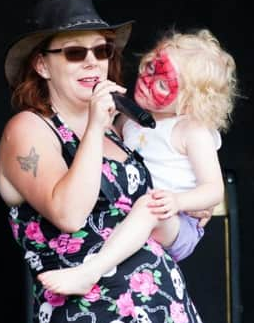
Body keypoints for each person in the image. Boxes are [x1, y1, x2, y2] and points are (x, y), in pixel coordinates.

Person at [0, 0, 223, 323]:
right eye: (74, 53)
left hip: (160, 312)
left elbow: (160, 199)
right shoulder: (30, 130)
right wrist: (95, 129)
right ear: (42, 64)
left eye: (101, 52)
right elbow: (69, 214)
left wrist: (187, 203)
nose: (92, 63)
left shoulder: (122, 130)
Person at [38, 28, 237, 298]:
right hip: (138, 218)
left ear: (192, 99)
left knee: (149, 206)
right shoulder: (128, 120)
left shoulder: (192, 130)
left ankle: (90, 272)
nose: (147, 81)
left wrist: (179, 201)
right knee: (145, 207)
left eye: (164, 83)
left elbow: (214, 190)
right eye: (149, 68)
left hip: (177, 222)